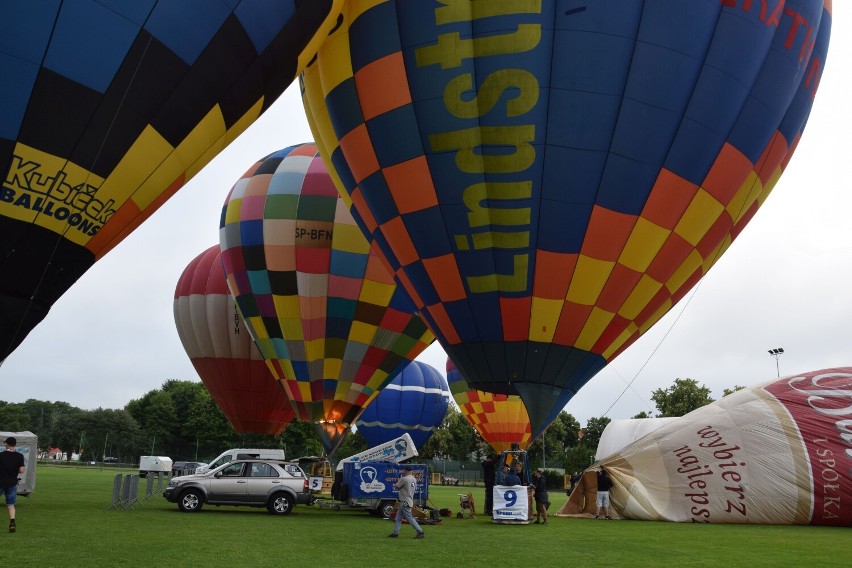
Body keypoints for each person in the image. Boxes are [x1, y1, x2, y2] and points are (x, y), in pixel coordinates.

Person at [388, 466, 425, 539]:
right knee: (398, 518)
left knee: (409, 518)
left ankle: (420, 531)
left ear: (406, 471)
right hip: (409, 500)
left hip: (405, 501)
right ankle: (395, 532)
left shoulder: (404, 479)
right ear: (411, 471)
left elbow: (396, 486)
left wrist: (398, 481)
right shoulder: (414, 479)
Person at [1, 437, 25, 533]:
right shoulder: (19, 456)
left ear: (7, 444)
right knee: (10, 505)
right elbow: (22, 470)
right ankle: (12, 523)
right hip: (12, 483)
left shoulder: (1, 455)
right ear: (14, 445)